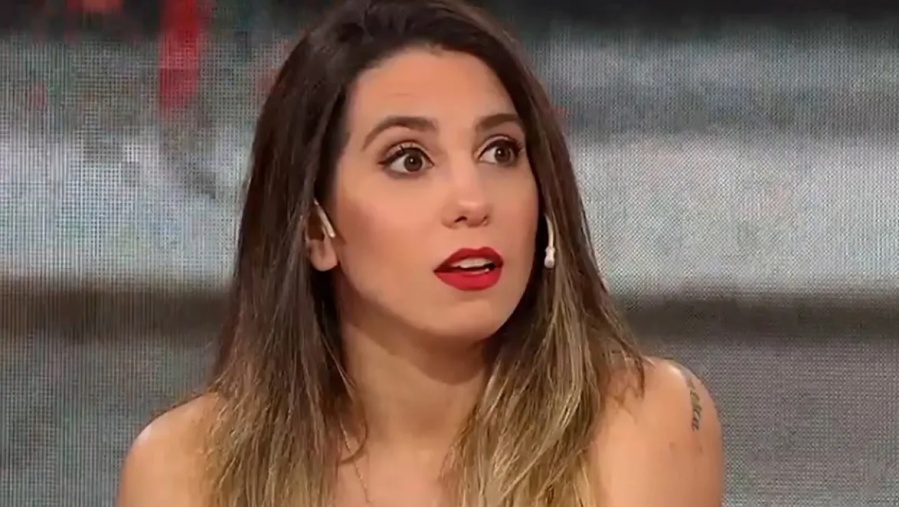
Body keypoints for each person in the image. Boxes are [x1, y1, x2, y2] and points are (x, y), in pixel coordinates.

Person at [117, 1, 724, 506]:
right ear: (314, 229)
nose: (473, 200)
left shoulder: (645, 424)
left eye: (500, 152)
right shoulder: (187, 472)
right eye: (409, 159)